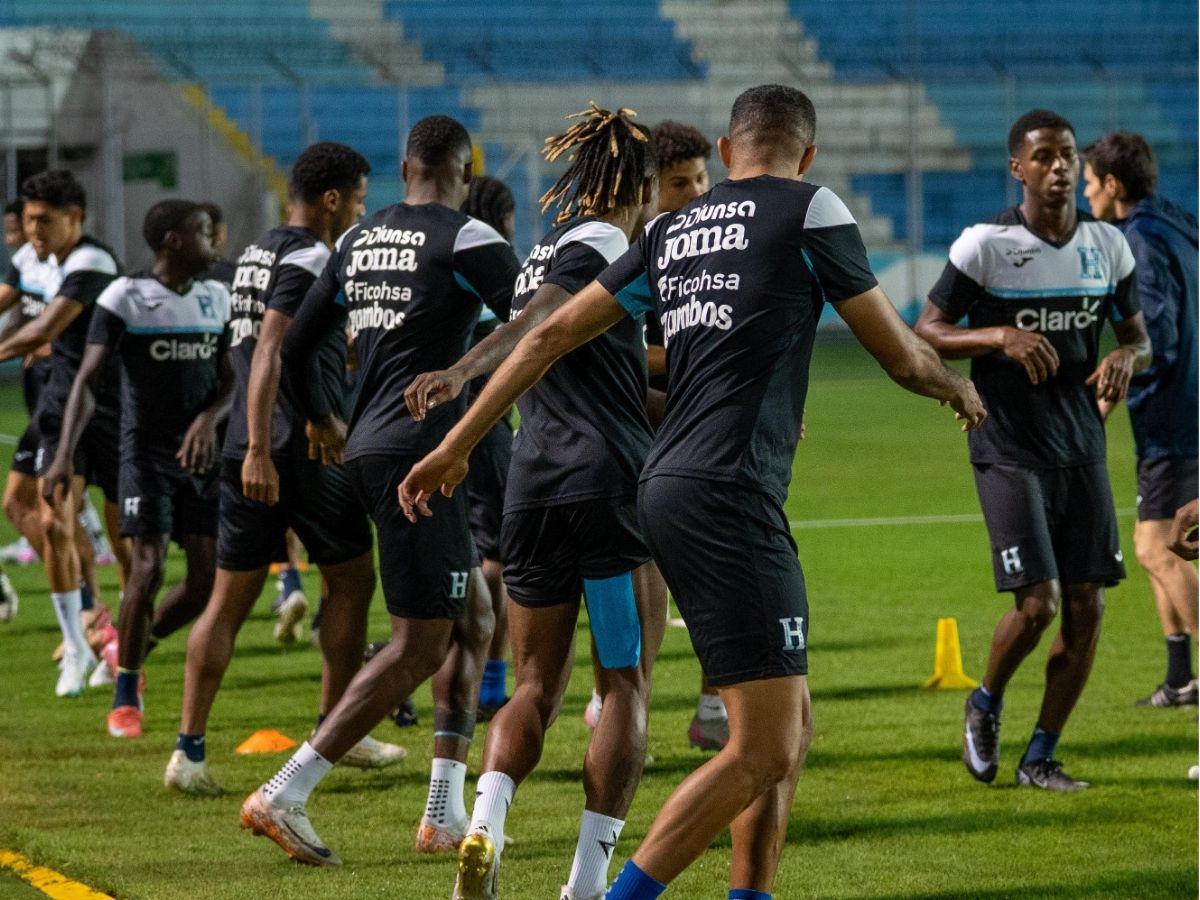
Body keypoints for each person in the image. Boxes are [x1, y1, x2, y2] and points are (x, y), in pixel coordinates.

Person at [400, 84, 985, 900]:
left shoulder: (670, 230)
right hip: (725, 494)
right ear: (805, 154)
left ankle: (748, 893)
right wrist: (954, 387)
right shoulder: (810, 210)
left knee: (787, 724)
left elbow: (548, 335)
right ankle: (611, 894)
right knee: (760, 746)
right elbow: (898, 352)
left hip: (660, 487)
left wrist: (458, 447)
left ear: (726, 146)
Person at [405, 103, 668, 900]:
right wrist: (459, 379)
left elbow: (555, 333)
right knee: (623, 680)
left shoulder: (540, 253)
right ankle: (586, 883)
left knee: (531, 684)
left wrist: (462, 374)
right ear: (638, 183)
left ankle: (485, 821)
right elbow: (540, 328)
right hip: (608, 489)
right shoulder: (608, 242)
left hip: (533, 489)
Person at [240, 115, 519, 865]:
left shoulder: (358, 242)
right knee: (419, 642)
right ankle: (286, 791)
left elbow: (297, 343)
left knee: (474, 613)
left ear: (404, 169)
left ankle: (442, 810)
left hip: (366, 447)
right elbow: (535, 320)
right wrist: (464, 372)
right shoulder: (469, 238)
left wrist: (326, 416)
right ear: (465, 169)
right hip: (424, 454)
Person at [915, 109, 1152, 791]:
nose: (1058, 167)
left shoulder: (1108, 246)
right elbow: (926, 329)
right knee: (1038, 604)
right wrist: (997, 339)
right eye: (1043, 156)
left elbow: (1138, 337)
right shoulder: (984, 245)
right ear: (1017, 168)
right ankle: (984, 702)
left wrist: (1126, 360)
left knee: (1089, 605)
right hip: (1006, 443)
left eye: (1068, 156)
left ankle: (1041, 755)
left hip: (1080, 445)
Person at [164, 142, 402, 795]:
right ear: (332, 198)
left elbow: (247, 349)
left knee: (227, 602)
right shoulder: (310, 254)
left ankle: (188, 751)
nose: (359, 207)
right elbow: (271, 348)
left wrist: (248, 440)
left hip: (248, 442)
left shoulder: (257, 254)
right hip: (298, 446)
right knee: (353, 580)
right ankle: (336, 729)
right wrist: (276, 443)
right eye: (356, 196)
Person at [43, 201, 232, 738]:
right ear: (172, 241)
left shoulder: (216, 297)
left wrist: (208, 421)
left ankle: (128, 646)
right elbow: (87, 381)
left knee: (202, 582)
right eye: (202, 233)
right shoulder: (123, 297)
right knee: (147, 567)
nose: (214, 243)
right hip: (144, 455)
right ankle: (126, 694)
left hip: (201, 457)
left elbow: (231, 380)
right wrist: (63, 454)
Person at [583, 119, 731, 753]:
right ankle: (614, 696)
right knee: (640, 576)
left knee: (724, 563)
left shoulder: (711, 249)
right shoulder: (623, 254)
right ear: (649, 188)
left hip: (694, 432)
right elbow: (600, 347)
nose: (696, 194)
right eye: (679, 182)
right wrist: (687, 362)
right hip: (633, 437)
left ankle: (711, 707)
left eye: (702, 178)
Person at [1082, 132, 1199, 707]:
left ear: (1113, 185)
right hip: (1180, 413)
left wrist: (1103, 402)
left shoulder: (1142, 243)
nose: (1084, 191)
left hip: (1175, 420)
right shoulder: (1176, 226)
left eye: (1089, 181)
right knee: (1155, 543)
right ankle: (1180, 679)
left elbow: (1159, 341)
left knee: (1158, 548)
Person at [0, 170, 124, 696]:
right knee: (36, 513)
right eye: (27, 220)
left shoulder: (92, 260)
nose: (33, 230)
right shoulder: (35, 259)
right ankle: (77, 641)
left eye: (43, 220)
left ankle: (118, 641)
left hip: (107, 409)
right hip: (59, 407)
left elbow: (45, 328)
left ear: (75, 218)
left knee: (132, 544)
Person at [460, 174, 517, 720]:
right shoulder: (494, 269)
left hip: (432, 428)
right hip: (485, 430)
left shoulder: (445, 265)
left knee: (467, 557)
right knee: (497, 558)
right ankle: (489, 682)